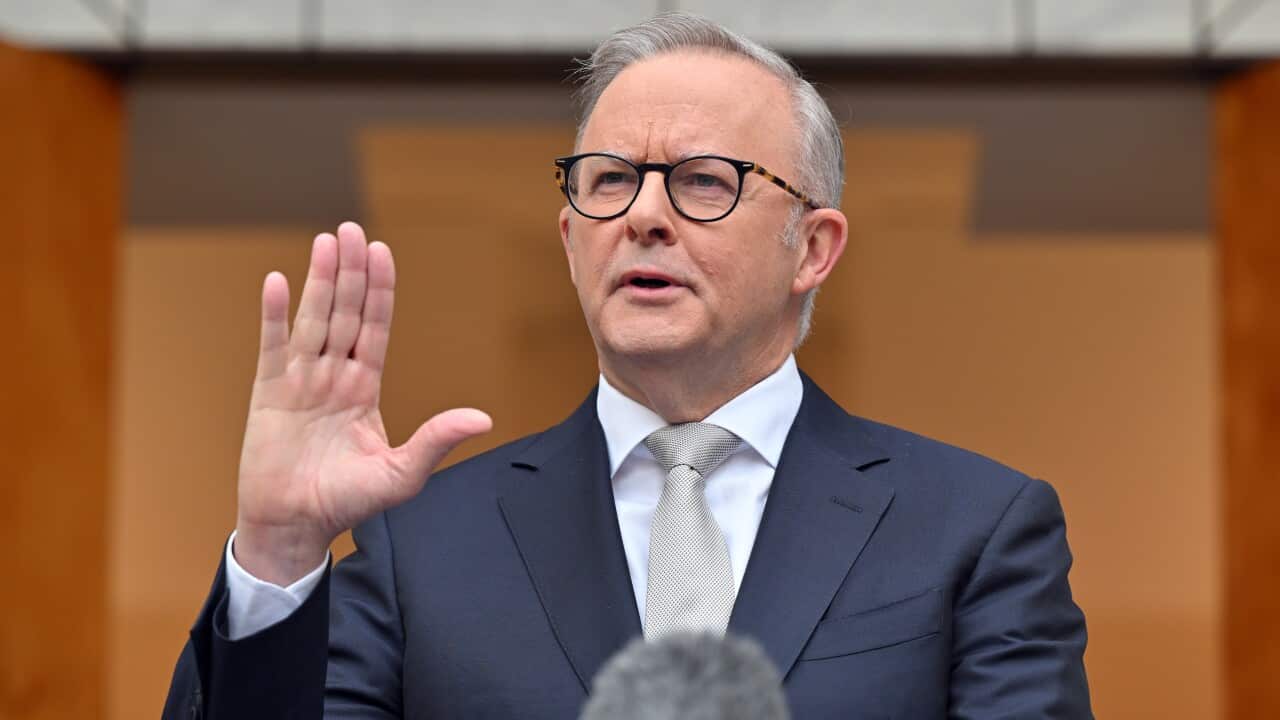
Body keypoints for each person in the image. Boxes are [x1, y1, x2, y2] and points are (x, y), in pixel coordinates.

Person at [163, 12, 1091, 719]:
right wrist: (279, 555)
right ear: (571, 240)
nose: (645, 215)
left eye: (702, 180)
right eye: (610, 179)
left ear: (813, 247)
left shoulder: (974, 530)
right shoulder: (423, 546)